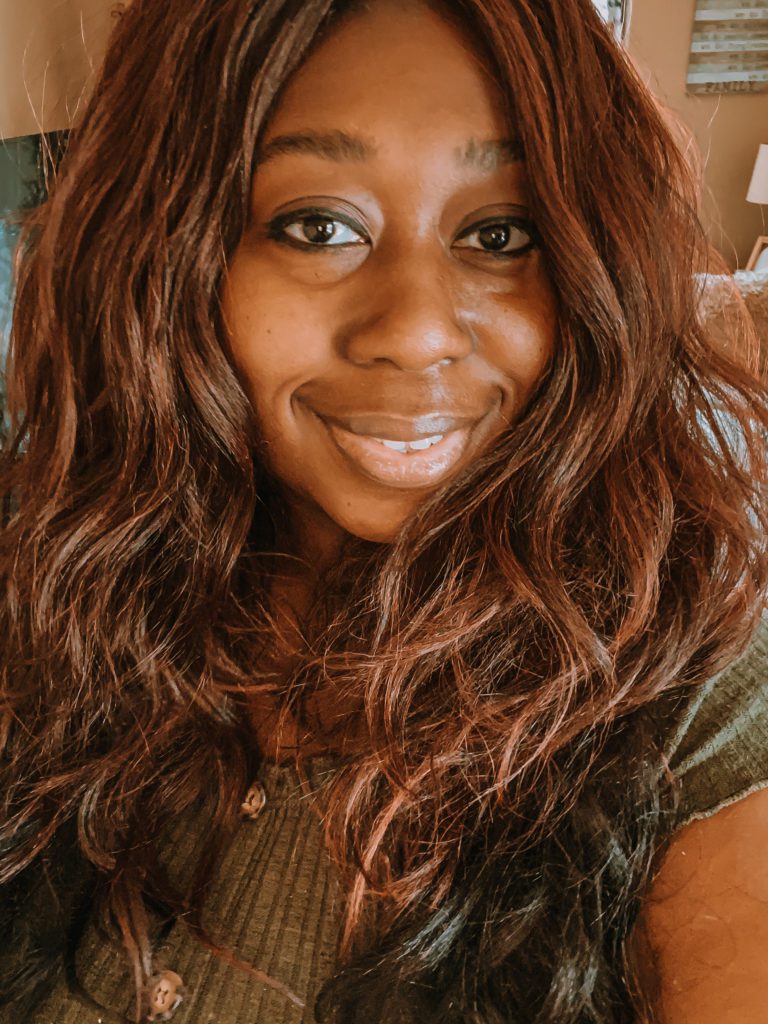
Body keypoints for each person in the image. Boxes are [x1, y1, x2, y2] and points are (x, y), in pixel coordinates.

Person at [1, 0, 766, 1022]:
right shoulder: (57, 580)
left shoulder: (699, 682)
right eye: (318, 226)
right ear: (169, 262)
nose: (413, 332)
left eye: (502, 233)